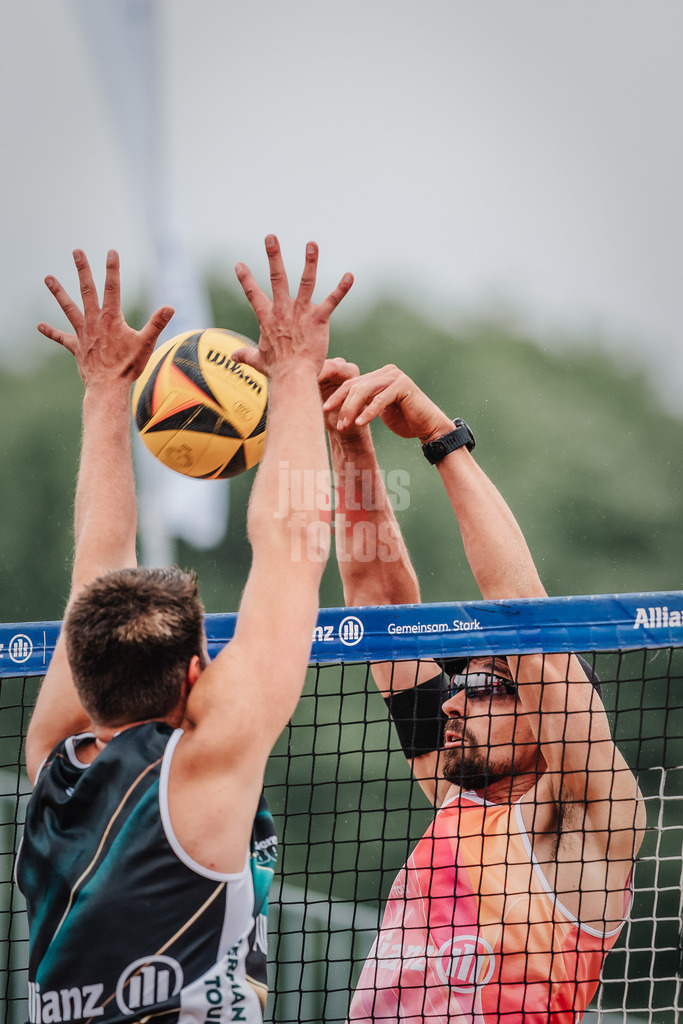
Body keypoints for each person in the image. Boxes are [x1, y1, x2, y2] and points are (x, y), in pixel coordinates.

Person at [16, 239, 353, 1024]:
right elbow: (292, 545)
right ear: (197, 676)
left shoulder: (51, 766)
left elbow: (95, 571)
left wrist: (106, 394)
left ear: (79, 663)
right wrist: (295, 372)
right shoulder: (203, 769)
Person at [321, 361, 646, 1024]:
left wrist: (440, 438)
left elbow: (525, 621)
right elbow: (377, 604)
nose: (450, 699)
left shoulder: (587, 822)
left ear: (546, 709)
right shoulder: (456, 797)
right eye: (455, 684)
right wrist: (349, 437)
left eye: (483, 686)